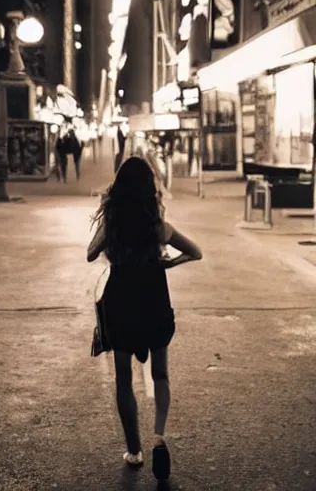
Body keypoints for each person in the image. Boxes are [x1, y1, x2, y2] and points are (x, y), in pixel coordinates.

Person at [86, 156, 202, 481]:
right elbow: (196, 251)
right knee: (160, 374)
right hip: (154, 301)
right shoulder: (158, 228)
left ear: (119, 189)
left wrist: (107, 228)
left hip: (121, 305)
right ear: (151, 190)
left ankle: (134, 451)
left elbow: (90, 253)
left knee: (124, 379)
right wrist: (169, 264)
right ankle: (159, 437)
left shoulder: (115, 226)